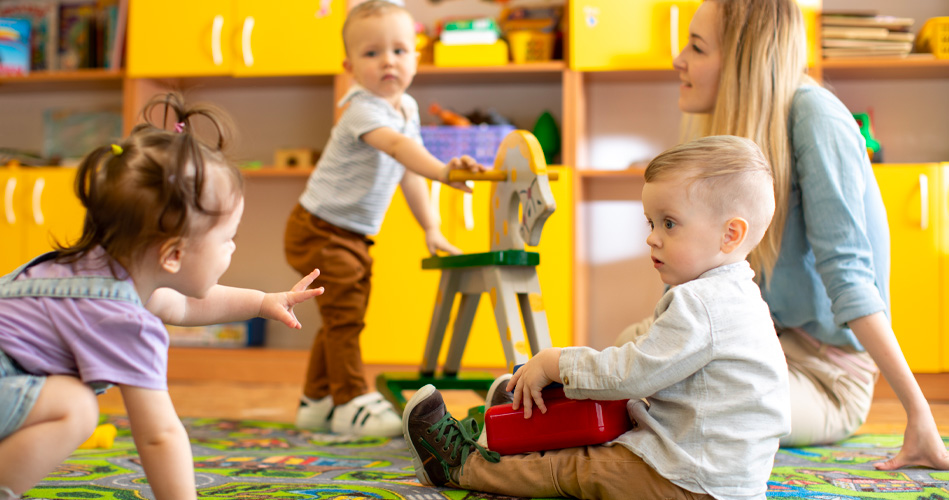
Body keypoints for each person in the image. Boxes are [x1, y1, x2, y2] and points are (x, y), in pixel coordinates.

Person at [402, 135, 790, 500]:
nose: (652, 237)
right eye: (650, 222)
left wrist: (558, 363)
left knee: (576, 468)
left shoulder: (702, 303)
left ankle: (458, 466)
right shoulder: (738, 295)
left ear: (730, 235)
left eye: (669, 223)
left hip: (690, 477)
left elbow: (632, 373)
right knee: (607, 421)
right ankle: (520, 415)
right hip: (716, 470)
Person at [660, 0, 949, 470]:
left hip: (830, 376)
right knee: (639, 352)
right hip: (769, 348)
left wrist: (919, 414)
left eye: (696, 47)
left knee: (684, 393)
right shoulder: (741, 131)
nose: (678, 59)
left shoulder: (815, 117)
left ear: (743, 59)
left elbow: (850, 275)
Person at [0, 92, 323, 500]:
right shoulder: (120, 317)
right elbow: (159, 436)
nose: (233, 249)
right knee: (76, 408)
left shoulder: (100, 271)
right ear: (173, 255)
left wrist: (261, 302)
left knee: (62, 401)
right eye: (228, 238)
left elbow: (185, 304)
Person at [284, 0, 485, 437]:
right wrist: (445, 170)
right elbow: (398, 149)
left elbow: (407, 171)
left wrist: (431, 227)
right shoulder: (362, 107)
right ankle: (351, 397)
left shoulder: (407, 108)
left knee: (341, 313)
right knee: (346, 316)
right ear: (350, 65)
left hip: (350, 233)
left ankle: (316, 399)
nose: (388, 61)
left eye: (399, 50)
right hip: (320, 227)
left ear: (416, 55)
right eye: (372, 53)